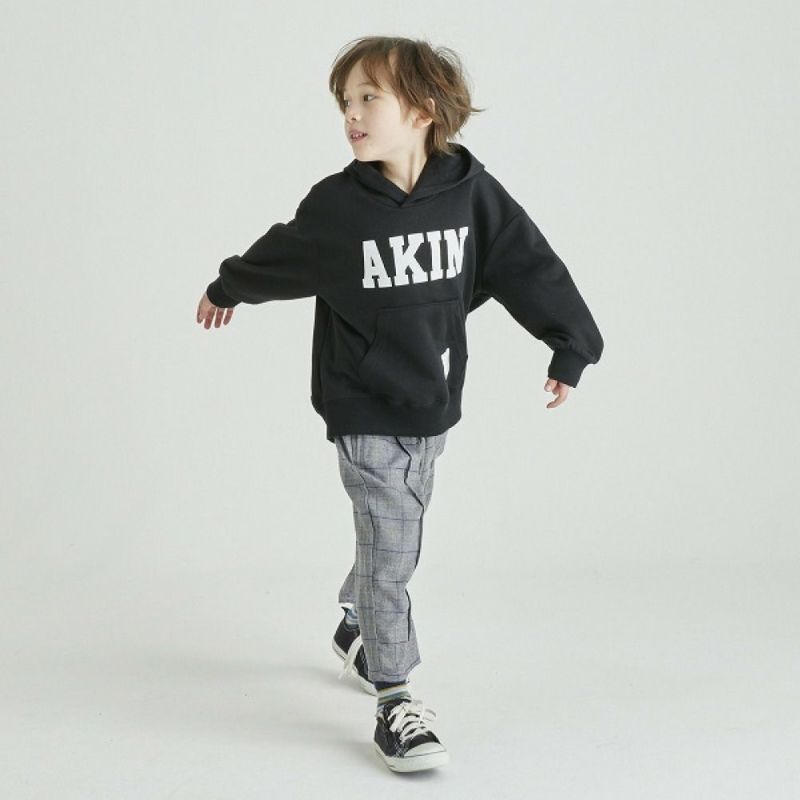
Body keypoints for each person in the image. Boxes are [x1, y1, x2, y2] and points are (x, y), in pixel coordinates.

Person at [196, 35, 604, 773]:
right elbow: (283, 253)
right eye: (344, 102)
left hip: (431, 394)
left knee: (398, 532)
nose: (350, 115)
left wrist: (570, 344)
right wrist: (229, 286)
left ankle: (356, 622)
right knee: (392, 545)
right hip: (360, 400)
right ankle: (395, 697)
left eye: (367, 99)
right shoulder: (339, 206)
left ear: (423, 110)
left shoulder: (470, 194)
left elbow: (527, 262)